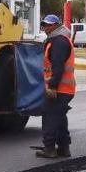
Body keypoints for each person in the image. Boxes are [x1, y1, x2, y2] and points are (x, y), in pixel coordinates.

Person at [35, 14, 76, 158]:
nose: (46, 27)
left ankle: (50, 149)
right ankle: (64, 148)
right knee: (59, 118)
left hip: (59, 88)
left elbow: (58, 66)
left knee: (50, 117)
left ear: (57, 25)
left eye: (49, 25)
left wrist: (52, 86)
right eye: (44, 24)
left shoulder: (59, 42)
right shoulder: (56, 40)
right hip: (64, 89)